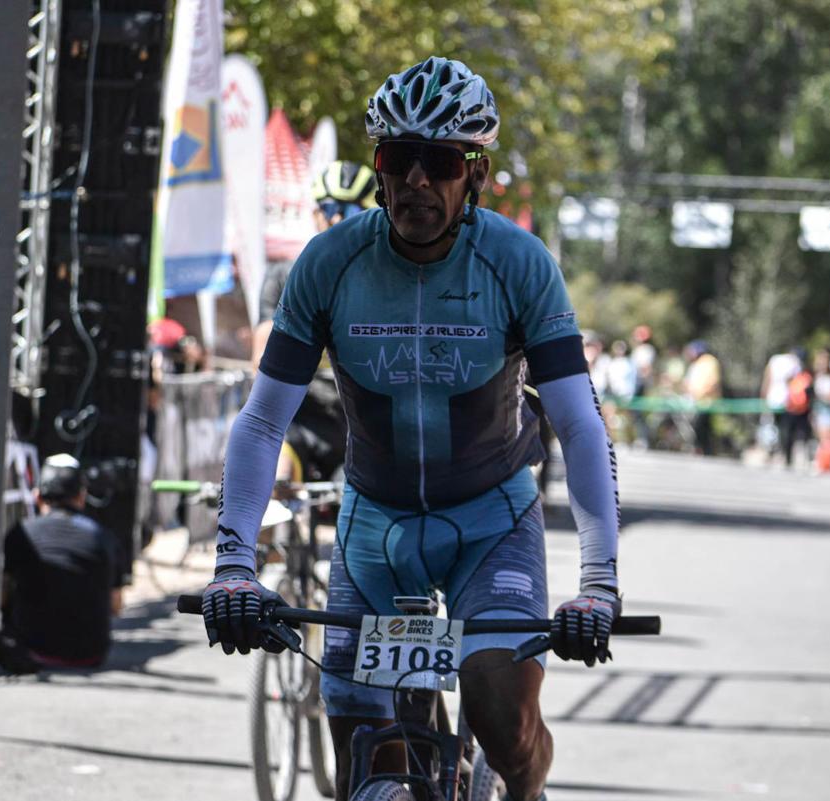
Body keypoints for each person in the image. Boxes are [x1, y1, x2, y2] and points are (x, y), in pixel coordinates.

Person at [202, 57, 621, 801]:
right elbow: (264, 420)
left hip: (490, 521)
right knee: (368, 768)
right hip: (377, 527)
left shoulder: (519, 264)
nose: (418, 180)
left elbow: (581, 425)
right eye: (401, 158)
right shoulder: (329, 264)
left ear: (476, 173)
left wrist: (598, 584)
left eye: (441, 161)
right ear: (379, 168)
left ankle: (524, 787)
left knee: (502, 717)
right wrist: (234, 566)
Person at [249, 160, 378, 481]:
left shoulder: (388, 283)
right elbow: (262, 360)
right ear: (316, 213)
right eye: (330, 207)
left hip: (361, 431)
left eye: (350, 210)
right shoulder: (286, 276)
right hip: (300, 421)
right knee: (274, 476)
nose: (337, 218)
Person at [2, 454, 125, 668]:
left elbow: (1, 596)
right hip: (90, 655)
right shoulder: (105, 537)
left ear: (37, 496)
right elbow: (115, 606)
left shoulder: (20, 533)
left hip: (30, 653)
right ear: (81, 497)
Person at [683, 340, 722, 456]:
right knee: (701, 427)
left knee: (701, 426)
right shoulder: (696, 364)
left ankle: (705, 450)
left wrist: (701, 393)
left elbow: (713, 382)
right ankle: (703, 450)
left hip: (706, 402)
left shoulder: (710, 361)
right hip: (696, 401)